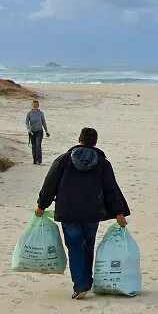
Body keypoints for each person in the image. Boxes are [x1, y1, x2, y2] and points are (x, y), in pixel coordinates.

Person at [35, 127, 130, 299]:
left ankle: (80, 285)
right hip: (92, 213)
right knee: (88, 245)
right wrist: (119, 213)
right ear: (95, 142)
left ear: (79, 139)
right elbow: (111, 190)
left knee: (74, 247)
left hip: (68, 212)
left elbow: (49, 185)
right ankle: (87, 280)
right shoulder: (103, 163)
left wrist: (41, 205)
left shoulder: (63, 160)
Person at [25, 100, 50, 165]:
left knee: (38, 145)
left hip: (39, 131)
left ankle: (39, 160)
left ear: (38, 106)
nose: (35, 105)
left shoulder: (41, 113)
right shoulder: (29, 113)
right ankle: (35, 160)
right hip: (32, 132)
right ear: (32, 105)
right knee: (34, 146)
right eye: (34, 104)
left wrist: (46, 131)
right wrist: (28, 129)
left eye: (36, 104)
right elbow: (26, 122)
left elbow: (43, 122)